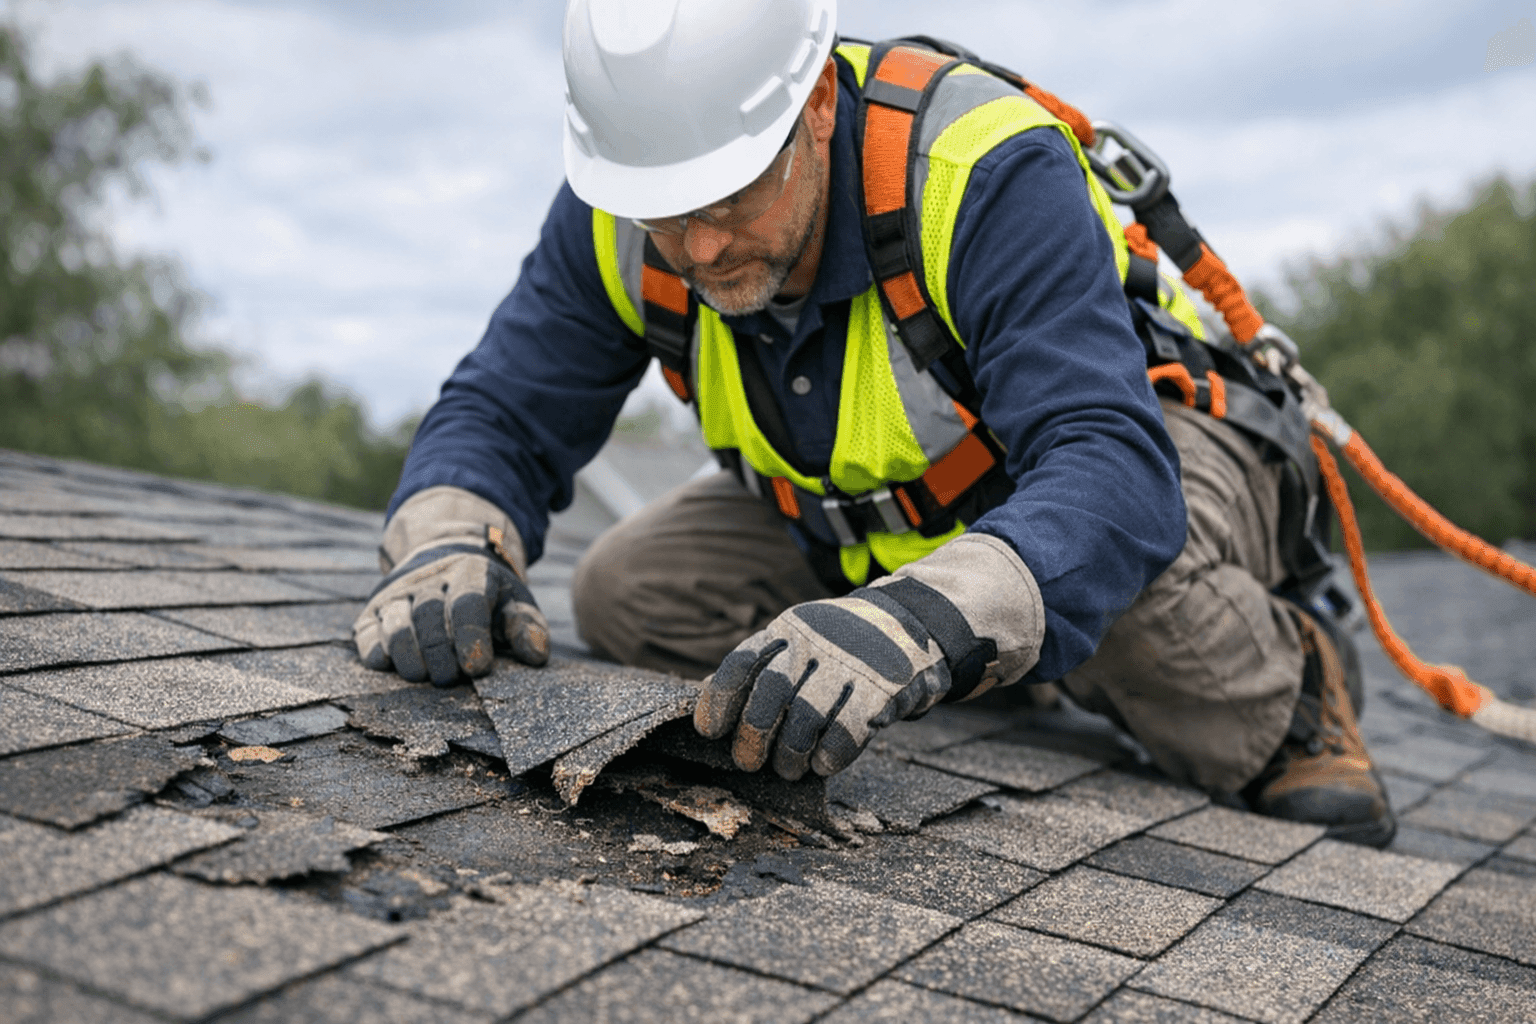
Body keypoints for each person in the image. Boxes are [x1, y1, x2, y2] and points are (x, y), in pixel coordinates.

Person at [353, 0, 1395, 847]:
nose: (700, 247)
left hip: (1146, 463)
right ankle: (998, 654)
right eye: (664, 209)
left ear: (813, 106)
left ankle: (1292, 689)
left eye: (730, 196)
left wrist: (916, 624)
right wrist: (446, 530)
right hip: (875, 525)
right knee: (631, 592)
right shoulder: (622, 215)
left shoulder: (979, 171)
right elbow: (500, 406)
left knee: (1125, 608)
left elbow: (1106, 469)